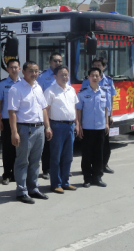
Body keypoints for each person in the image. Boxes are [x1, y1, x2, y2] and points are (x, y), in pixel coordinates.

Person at [8, 61, 52, 204]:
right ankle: (22, 191)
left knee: (35, 161)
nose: (35, 74)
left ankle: (33, 188)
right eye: (31, 71)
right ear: (24, 72)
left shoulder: (38, 87)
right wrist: (14, 132)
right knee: (22, 161)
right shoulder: (16, 89)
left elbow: (44, 108)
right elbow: (12, 112)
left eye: (37, 71)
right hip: (24, 129)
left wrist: (47, 127)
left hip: (39, 128)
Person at [43, 65, 78, 194]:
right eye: (62, 75)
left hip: (70, 125)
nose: (65, 77)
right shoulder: (50, 91)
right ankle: (56, 183)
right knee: (56, 156)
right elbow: (45, 110)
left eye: (66, 74)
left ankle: (65, 182)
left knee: (68, 156)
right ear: (55, 77)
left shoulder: (71, 90)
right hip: (57, 126)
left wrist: (77, 123)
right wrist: (47, 127)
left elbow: (74, 108)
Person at [80, 57, 117, 174]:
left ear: (103, 67)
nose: (96, 67)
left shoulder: (108, 81)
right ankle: (89, 171)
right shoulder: (87, 81)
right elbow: (82, 99)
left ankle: (103, 165)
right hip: (90, 121)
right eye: (94, 65)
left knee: (104, 145)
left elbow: (110, 99)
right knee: (89, 148)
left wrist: (111, 115)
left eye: (98, 65)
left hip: (103, 119)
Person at [76, 67, 110, 188]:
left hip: (100, 128)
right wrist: (78, 125)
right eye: (92, 75)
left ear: (100, 78)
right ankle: (87, 178)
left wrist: (106, 123)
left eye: (97, 76)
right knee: (87, 154)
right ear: (88, 77)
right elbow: (78, 110)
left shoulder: (104, 93)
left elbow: (106, 109)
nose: (95, 78)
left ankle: (97, 177)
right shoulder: (83, 93)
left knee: (98, 154)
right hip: (87, 128)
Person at [36, 52, 68, 180]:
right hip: (48, 115)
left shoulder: (65, 76)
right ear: (50, 62)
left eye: (60, 61)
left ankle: (61, 169)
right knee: (49, 144)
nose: (58, 63)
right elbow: (39, 97)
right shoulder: (43, 77)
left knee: (62, 145)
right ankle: (47, 170)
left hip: (62, 116)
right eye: (55, 61)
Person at [0, 59, 22, 185]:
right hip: (6, 119)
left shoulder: (24, 83)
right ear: (7, 69)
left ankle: (17, 173)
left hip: (21, 120)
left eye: (16, 67)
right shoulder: (2, 84)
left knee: (19, 149)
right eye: (11, 67)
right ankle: (7, 174)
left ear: (19, 69)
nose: (14, 69)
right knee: (8, 148)